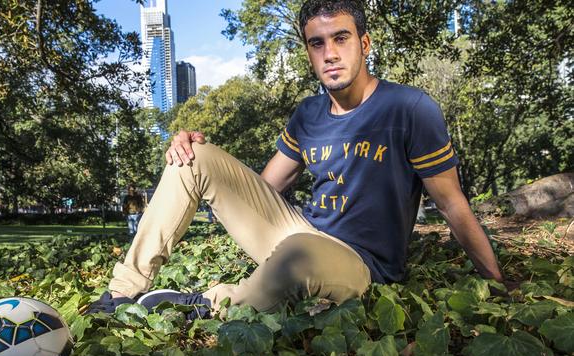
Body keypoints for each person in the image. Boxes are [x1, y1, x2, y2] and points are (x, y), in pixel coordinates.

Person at [87, 0, 507, 317]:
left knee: (300, 252)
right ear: (308, 52)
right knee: (192, 157)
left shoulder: (410, 109)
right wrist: (201, 157)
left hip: (362, 263)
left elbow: (452, 204)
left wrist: (498, 284)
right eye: (317, 43)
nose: (330, 53)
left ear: (363, 43)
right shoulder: (307, 114)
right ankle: (122, 293)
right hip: (299, 231)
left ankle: (205, 304)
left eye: (341, 38)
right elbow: (264, 190)